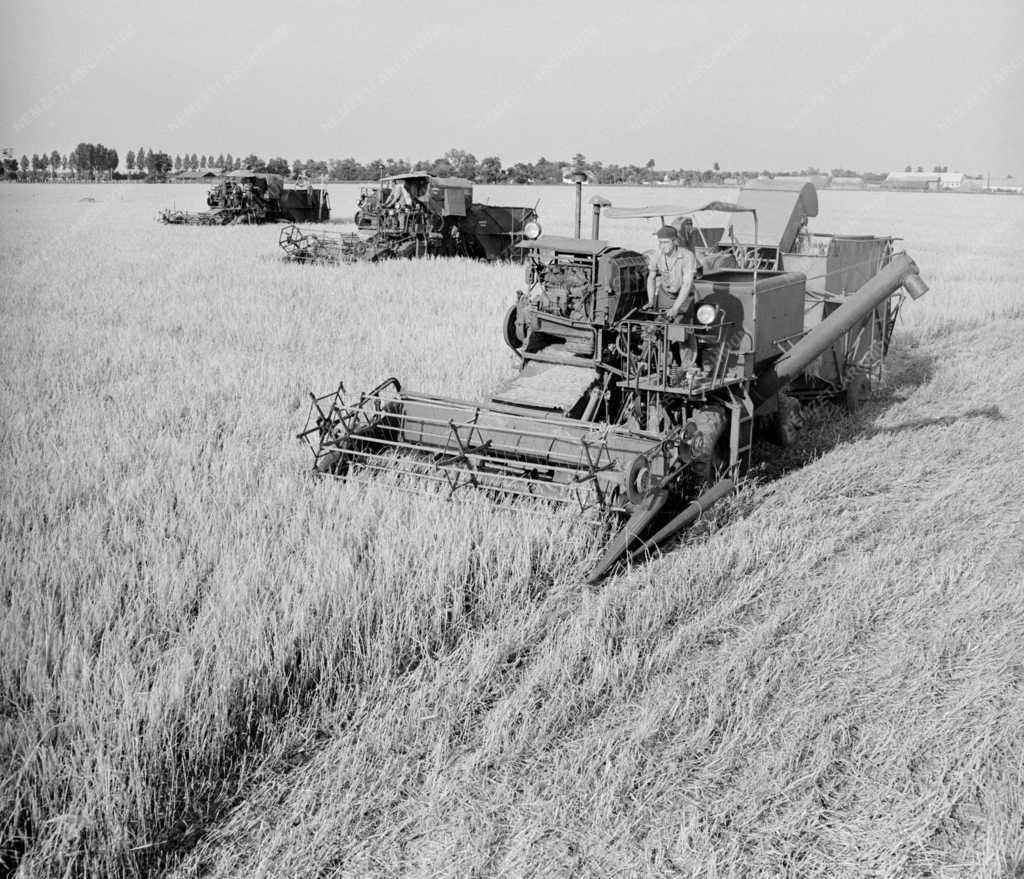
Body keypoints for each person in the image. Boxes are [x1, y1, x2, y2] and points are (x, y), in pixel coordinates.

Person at [647, 225, 696, 321]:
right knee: (661, 326)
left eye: (666, 242)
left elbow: (687, 284)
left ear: (675, 241)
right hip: (665, 296)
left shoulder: (687, 256)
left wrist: (675, 308)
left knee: (680, 327)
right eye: (660, 242)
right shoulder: (657, 255)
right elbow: (651, 277)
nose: (662, 246)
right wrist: (651, 301)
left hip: (684, 297)